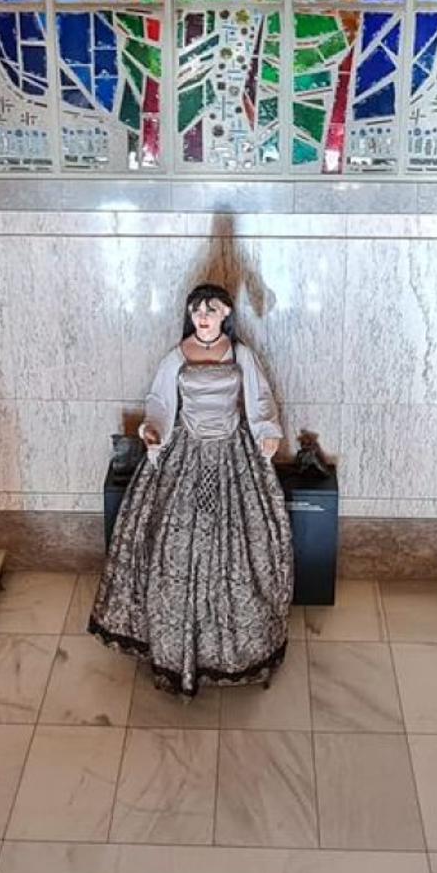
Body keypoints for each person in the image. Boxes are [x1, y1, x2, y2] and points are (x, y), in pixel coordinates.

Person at [89, 283, 294, 695]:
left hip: (232, 453)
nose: (203, 316)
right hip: (186, 450)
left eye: (211, 310)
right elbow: (161, 402)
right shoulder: (177, 356)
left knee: (239, 550)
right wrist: (154, 431)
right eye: (196, 310)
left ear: (225, 315)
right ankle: (173, 646)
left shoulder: (241, 355)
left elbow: (260, 400)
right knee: (173, 546)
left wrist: (267, 432)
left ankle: (235, 648)